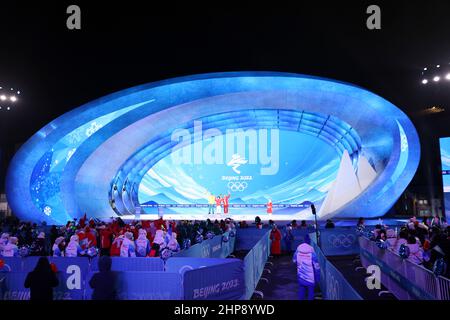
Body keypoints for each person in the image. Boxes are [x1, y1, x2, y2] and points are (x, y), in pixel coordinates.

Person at [293, 234, 320, 300]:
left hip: (301, 275)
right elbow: (317, 267)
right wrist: (318, 278)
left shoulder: (298, 252)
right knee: (311, 292)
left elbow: (294, 261)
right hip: (310, 277)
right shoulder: (312, 253)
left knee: (301, 290)